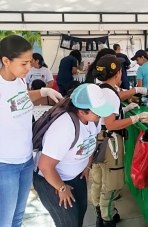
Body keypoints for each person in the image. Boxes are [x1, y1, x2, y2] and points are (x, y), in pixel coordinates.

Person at [0, 35, 62, 227]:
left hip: (25, 162)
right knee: (3, 222)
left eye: (30, 62)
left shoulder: (19, 81)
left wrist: (43, 92)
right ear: (6, 61)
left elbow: (18, 100)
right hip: (3, 166)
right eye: (24, 63)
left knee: (17, 219)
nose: (29, 68)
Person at [33, 83, 115, 227]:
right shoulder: (64, 127)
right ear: (82, 112)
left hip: (76, 176)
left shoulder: (93, 120)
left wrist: (87, 166)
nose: (101, 115)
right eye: (98, 111)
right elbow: (45, 166)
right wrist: (62, 188)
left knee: (79, 214)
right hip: (50, 179)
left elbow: (91, 141)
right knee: (68, 222)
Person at [92, 55, 148, 227]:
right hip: (110, 143)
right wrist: (135, 118)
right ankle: (108, 219)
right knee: (112, 184)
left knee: (99, 180)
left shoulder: (99, 89)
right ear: (117, 73)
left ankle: (100, 215)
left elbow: (105, 116)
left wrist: (125, 109)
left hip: (97, 139)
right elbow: (111, 123)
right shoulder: (110, 94)